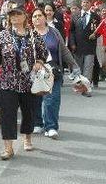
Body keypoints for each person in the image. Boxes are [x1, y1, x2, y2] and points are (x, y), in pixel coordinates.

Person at [0, 6, 48, 160]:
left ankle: (27, 138)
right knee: (7, 114)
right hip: (7, 81)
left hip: (28, 81)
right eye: (11, 15)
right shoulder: (3, 35)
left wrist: (39, 62)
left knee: (29, 111)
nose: (14, 17)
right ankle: (8, 148)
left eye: (17, 14)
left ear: (24, 17)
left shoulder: (33, 35)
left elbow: (43, 53)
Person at [32, 8, 78, 139]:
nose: (37, 18)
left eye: (40, 15)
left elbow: (64, 50)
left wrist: (74, 65)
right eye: (34, 16)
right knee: (36, 99)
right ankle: (38, 123)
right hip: (35, 72)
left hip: (53, 71)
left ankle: (51, 127)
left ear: (45, 18)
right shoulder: (29, 34)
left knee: (52, 100)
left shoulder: (54, 32)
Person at [69, 0, 100, 97]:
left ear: (90, 4)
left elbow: (99, 30)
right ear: (81, 4)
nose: (85, 4)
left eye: (87, 2)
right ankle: (80, 86)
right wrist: (72, 43)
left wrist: (95, 35)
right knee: (79, 68)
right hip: (77, 47)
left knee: (88, 68)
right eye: (84, 2)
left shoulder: (96, 17)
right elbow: (71, 31)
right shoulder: (74, 16)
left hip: (90, 47)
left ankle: (86, 89)